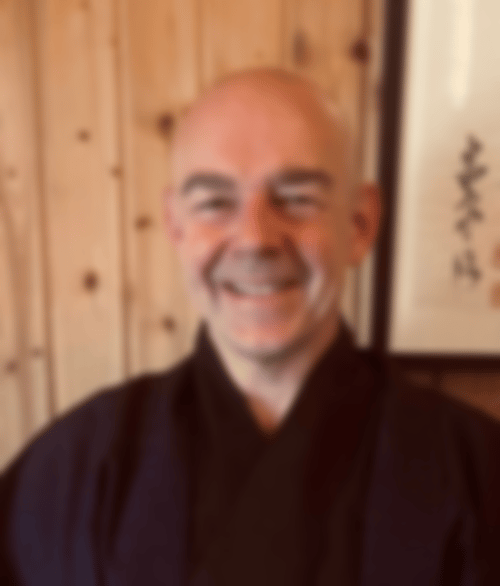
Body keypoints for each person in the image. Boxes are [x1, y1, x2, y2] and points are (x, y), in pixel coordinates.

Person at [1, 68, 499, 586]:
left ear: (359, 224)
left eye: (297, 198)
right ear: (176, 225)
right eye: (214, 203)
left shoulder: (476, 472)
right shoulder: (78, 466)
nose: (255, 238)